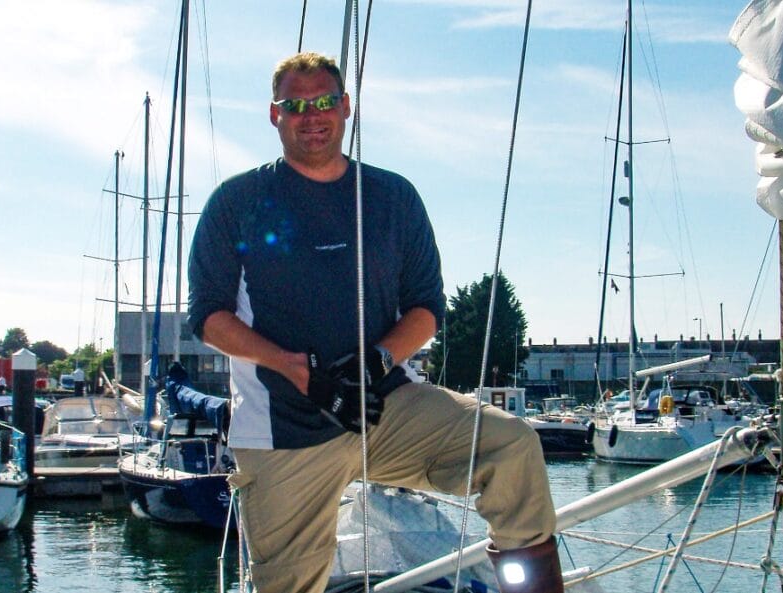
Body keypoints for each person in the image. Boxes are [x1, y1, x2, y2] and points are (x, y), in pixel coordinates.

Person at [187, 52, 563, 593]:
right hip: (282, 428)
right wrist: (295, 369)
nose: (311, 115)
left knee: (511, 446)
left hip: (383, 408)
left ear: (346, 108)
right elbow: (209, 317)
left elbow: (426, 308)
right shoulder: (237, 202)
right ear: (275, 115)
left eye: (323, 102)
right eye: (296, 105)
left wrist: (375, 359)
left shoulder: (393, 198)